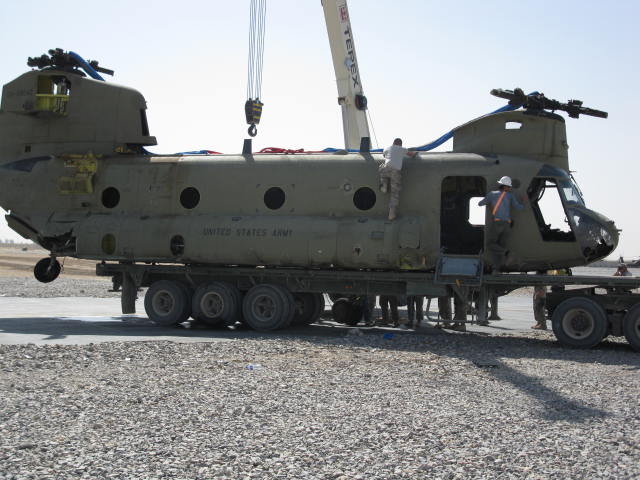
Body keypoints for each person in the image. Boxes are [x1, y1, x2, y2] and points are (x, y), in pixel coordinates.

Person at [478, 176, 525, 274]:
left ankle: (508, 253)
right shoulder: (510, 196)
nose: (509, 188)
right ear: (505, 187)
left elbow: (480, 204)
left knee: (490, 245)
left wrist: (487, 198)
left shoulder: (492, 194)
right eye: (508, 186)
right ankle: (496, 269)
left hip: (498, 224)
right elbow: (519, 208)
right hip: (507, 225)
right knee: (499, 248)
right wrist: (523, 201)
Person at [379, 138, 418, 220]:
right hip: (395, 172)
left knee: (381, 167)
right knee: (395, 193)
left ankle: (384, 186)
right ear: (400, 144)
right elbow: (411, 154)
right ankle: (391, 214)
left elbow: (384, 155)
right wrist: (415, 153)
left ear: (393, 143)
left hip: (386, 168)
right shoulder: (402, 149)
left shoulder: (387, 148)